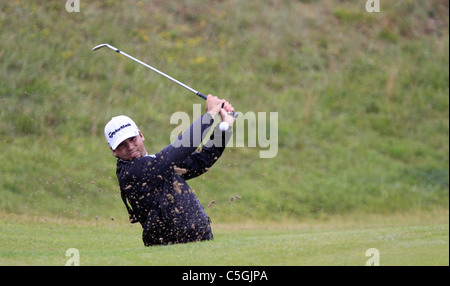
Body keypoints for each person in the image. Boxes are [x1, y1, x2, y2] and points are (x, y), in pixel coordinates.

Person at [104, 94, 235, 246]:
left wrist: (225, 126)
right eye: (121, 145)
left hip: (200, 243)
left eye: (132, 139)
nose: (130, 147)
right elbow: (179, 150)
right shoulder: (130, 172)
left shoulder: (156, 164)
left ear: (141, 135)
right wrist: (210, 114)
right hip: (171, 250)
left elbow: (201, 161)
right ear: (113, 151)